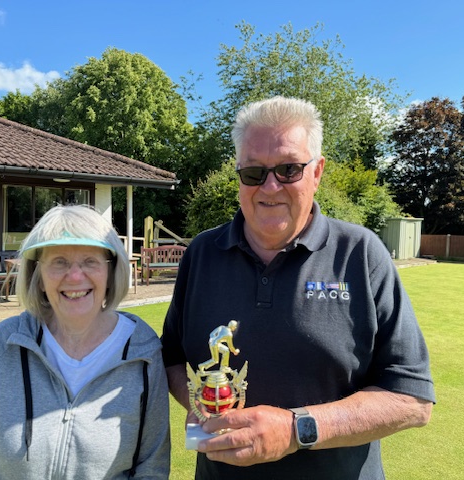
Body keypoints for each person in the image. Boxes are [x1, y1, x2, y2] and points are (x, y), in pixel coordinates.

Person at [161, 96, 435, 479]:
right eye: (254, 172)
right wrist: (200, 403)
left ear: (317, 171)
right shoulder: (202, 253)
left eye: (289, 169)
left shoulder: (361, 253)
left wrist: (296, 430)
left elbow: (412, 398)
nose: (270, 186)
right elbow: (171, 356)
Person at [0, 205, 170, 479]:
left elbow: (152, 468)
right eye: (59, 261)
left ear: (110, 271)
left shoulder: (143, 351)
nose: (75, 276)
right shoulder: (6, 342)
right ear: (39, 276)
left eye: (90, 260)